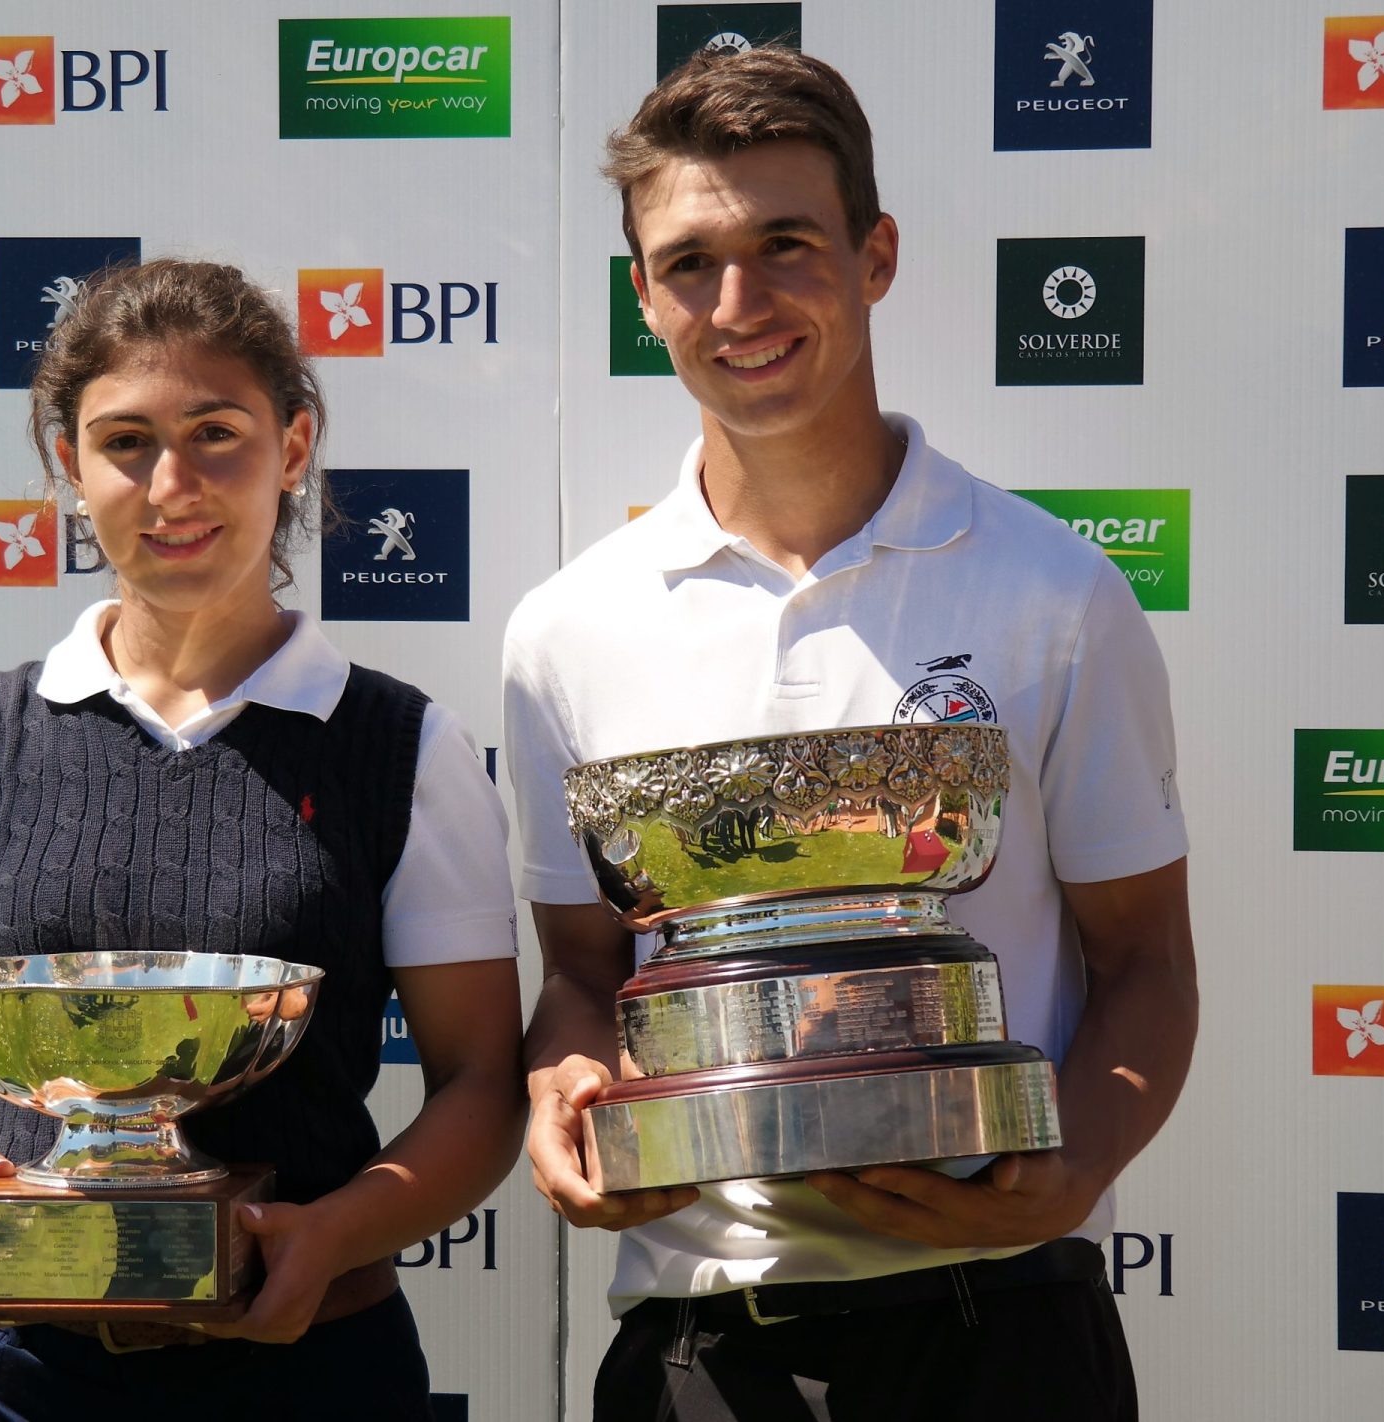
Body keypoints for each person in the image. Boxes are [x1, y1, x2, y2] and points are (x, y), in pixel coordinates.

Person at [503, 47, 1196, 1421]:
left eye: (786, 244)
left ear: (875, 254)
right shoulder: (565, 631)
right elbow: (584, 975)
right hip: (703, 1336)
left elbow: (1147, 960)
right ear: (642, 295)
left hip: (996, 1318)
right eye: (689, 261)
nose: (739, 302)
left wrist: (1073, 1164)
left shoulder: (1053, 590)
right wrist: (565, 1090)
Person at [0, 258, 524, 1420]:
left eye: (217, 432)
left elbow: (480, 1082)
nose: (173, 484)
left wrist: (334, 1233)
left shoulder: (404, 745)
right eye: (124, 442)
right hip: (25, 1378)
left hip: (315, 1365)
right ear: (68, 466)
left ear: (293, 448)